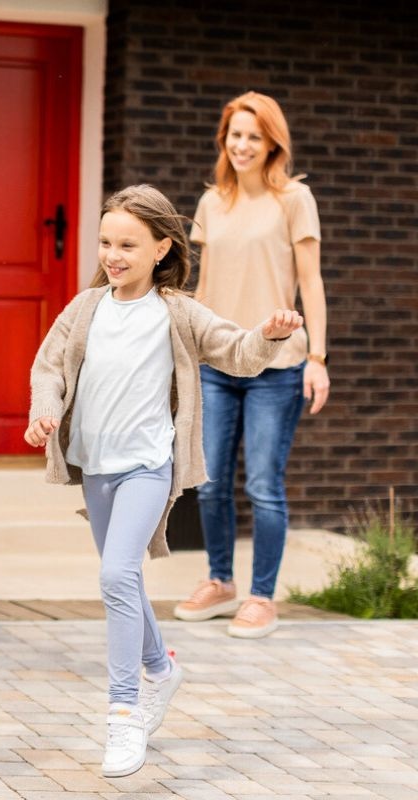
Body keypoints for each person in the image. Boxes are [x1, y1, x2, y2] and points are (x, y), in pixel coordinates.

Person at [25, 184, 303, 778]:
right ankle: (162, 668)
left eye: (127, 244)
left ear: (161, 248)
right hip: (94, 466)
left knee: (115, 575)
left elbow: (237, 351)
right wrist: (44, 411)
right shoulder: (85, 309)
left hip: (147, 466)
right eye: (106, 242)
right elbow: (47, 368)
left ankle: (124, 713)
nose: (113, 255)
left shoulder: (177, 311)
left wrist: (270, 335)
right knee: (122, 579)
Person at [173, 91, 328, 639]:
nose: (242, 145)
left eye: (253, 137)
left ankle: (262, 597)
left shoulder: (294, 200)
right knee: (210, 482)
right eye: (235, 135)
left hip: (278, 364)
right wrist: (187, 351)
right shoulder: (211, 202)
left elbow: (310, 282)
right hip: (219, 362)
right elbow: (203, 287)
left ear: (272, 144)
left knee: (263, 484)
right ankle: (220, 582)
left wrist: (317, 357)